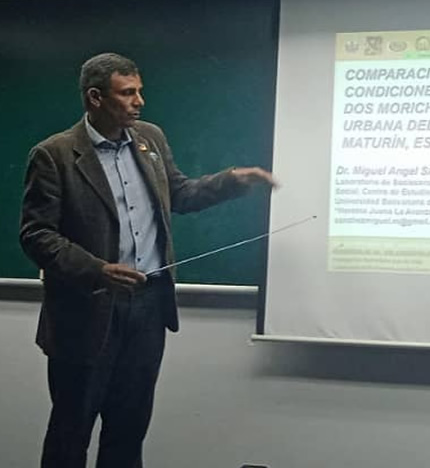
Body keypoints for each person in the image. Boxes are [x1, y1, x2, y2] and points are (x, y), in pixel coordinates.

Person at [19, 52, 276, 467]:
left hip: (147, 308)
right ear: (95, 98)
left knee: (128, 429)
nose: (139, 101)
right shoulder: (55, 155)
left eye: (139, 91)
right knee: (71, 431)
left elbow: (178, 194)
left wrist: (230, 182)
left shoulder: (149, 139)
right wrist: (97, 270)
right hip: (87, 312)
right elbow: (36, 235)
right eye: (127, 93)